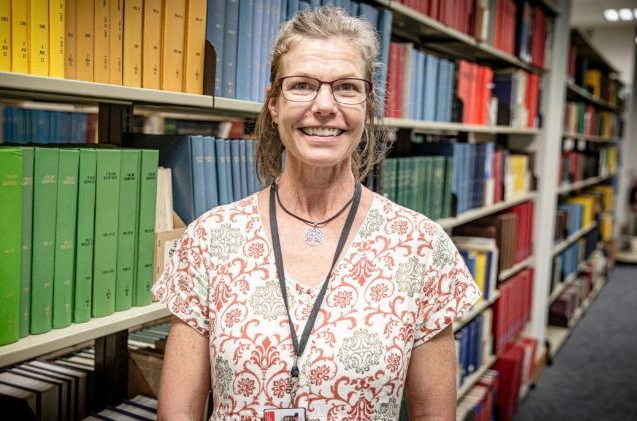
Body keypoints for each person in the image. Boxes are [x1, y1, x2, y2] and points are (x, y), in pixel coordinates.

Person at [153, 6, 480, 420]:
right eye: (303, 85)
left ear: (367, 105)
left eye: (346, 87)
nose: (325, 106)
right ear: (273, 104)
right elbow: (177, 414)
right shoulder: (210, 240)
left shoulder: (422, 248)